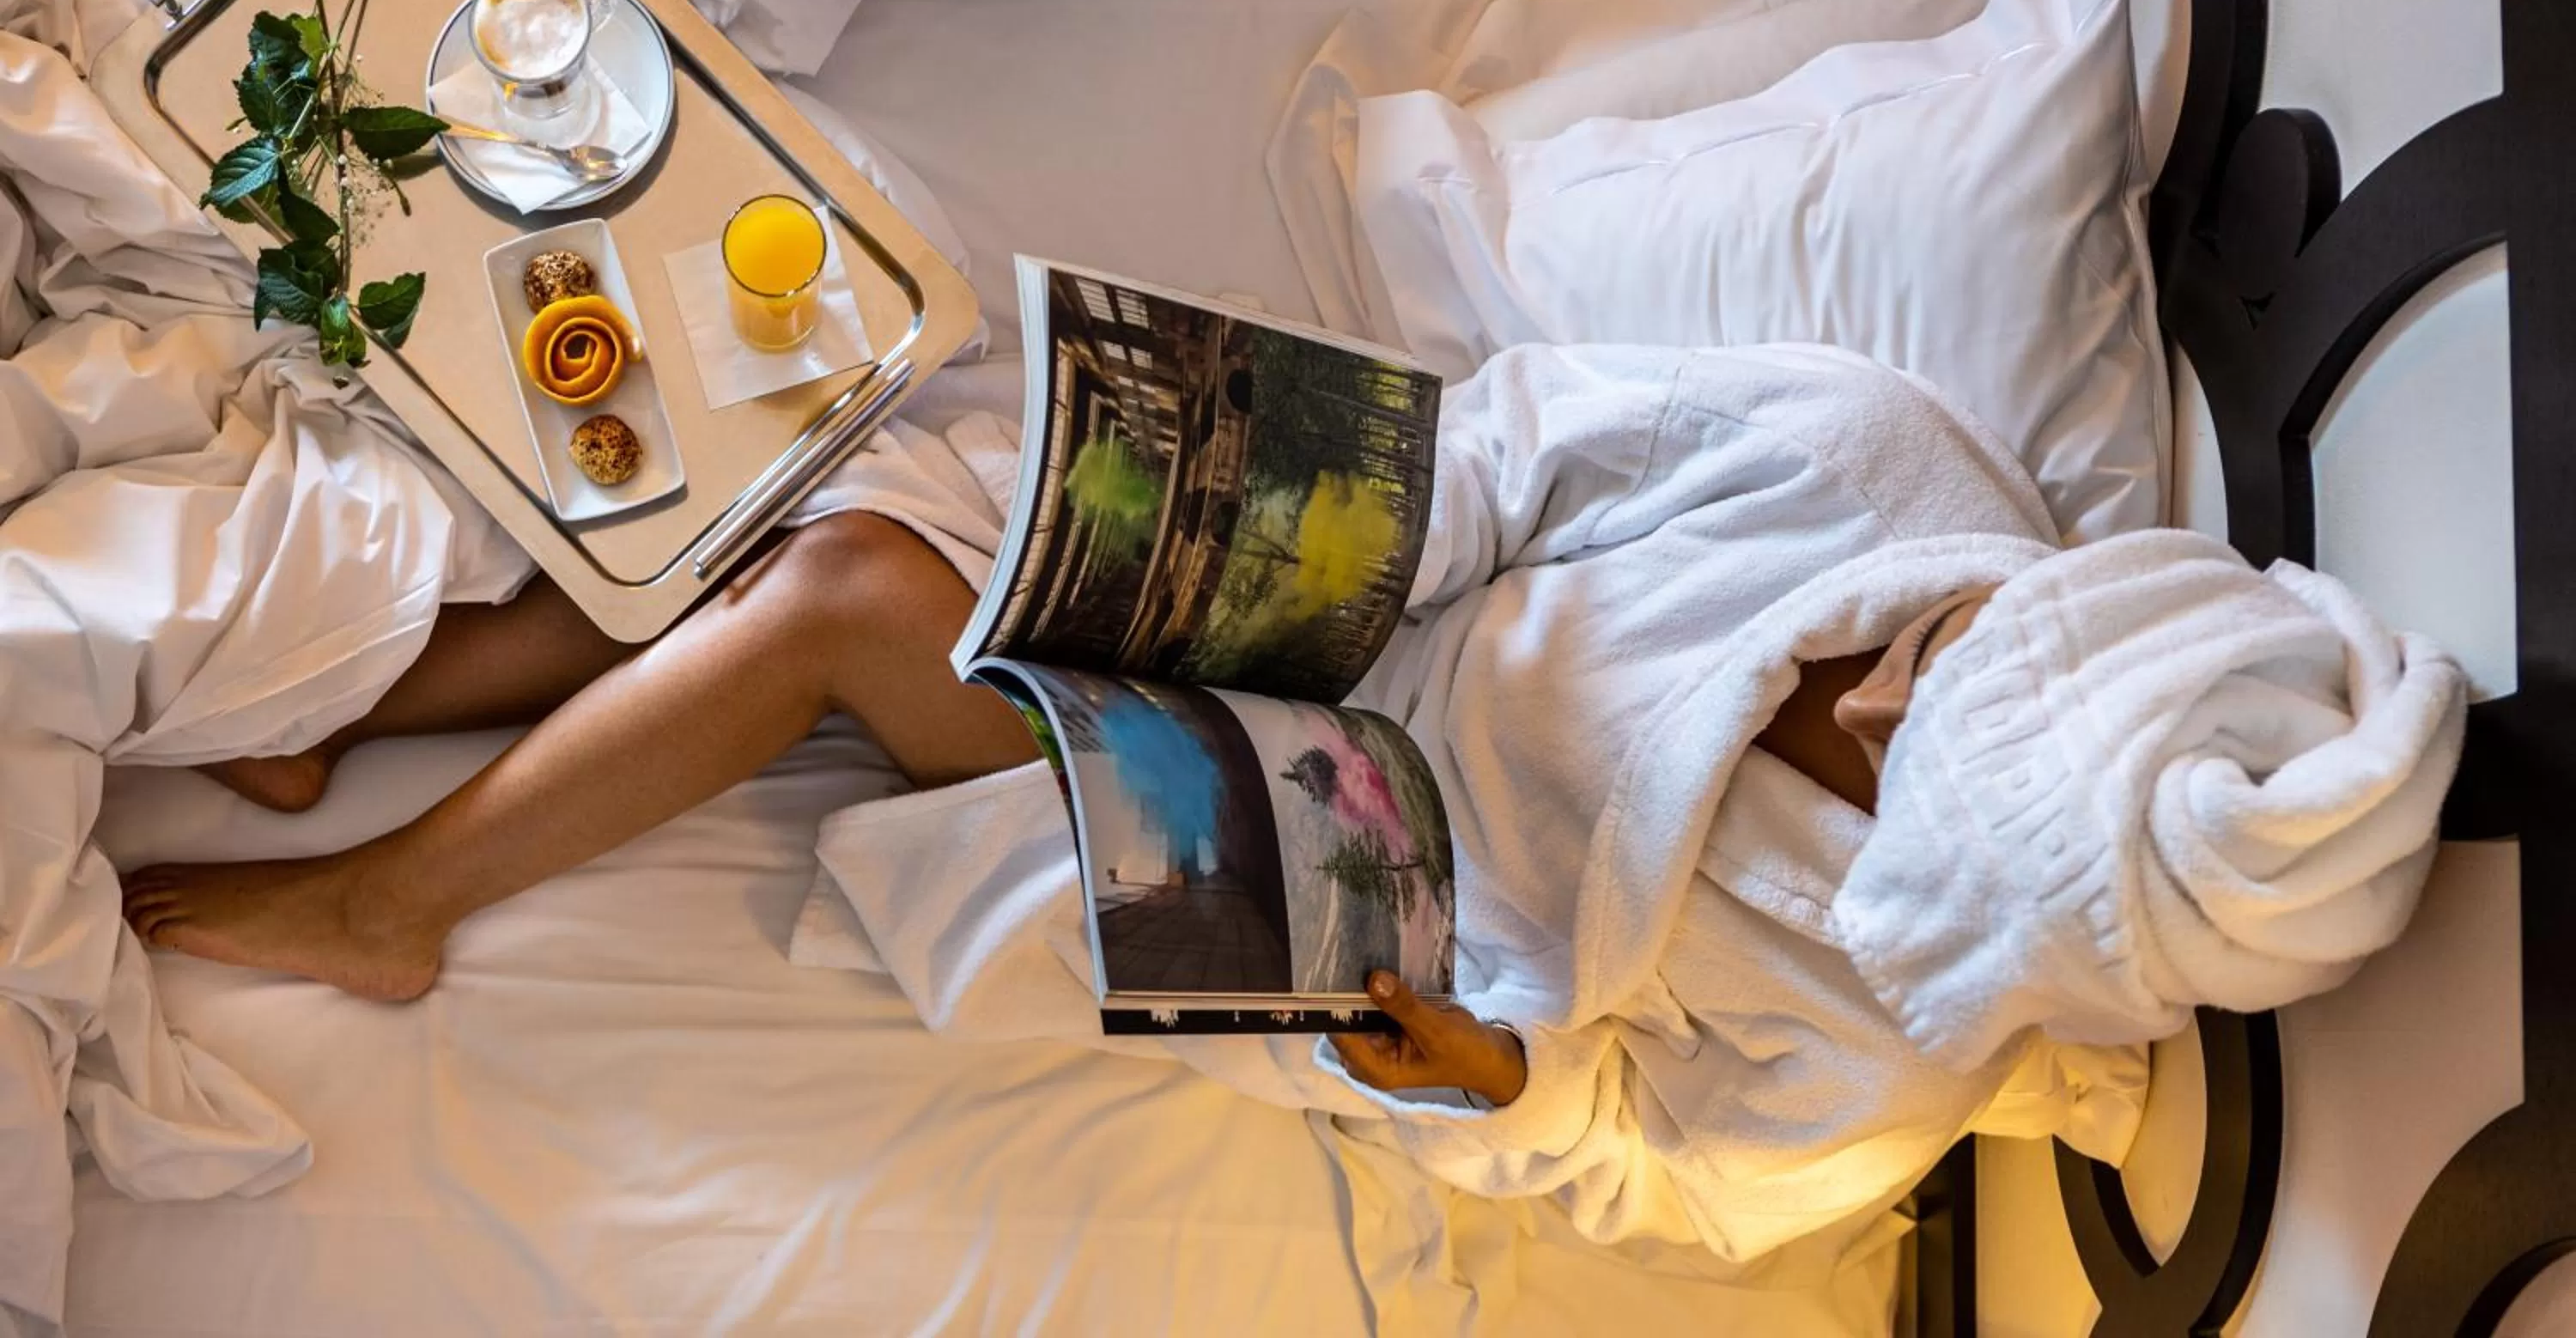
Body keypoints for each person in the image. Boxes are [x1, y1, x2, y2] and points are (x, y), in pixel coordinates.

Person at [124, 342, 2466, 1262]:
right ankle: (385, 717)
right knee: (849, 518)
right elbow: (1523, 443)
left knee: (848, 603)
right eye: (1918, 671)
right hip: (1357, 596)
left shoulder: (1900, 1046)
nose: (1865, 706)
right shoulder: (1890, 470)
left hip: (1376, 879)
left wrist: (1496, 1085)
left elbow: (1638, 1153)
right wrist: (1268, 530)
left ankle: (386, 896)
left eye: (1886, 776)